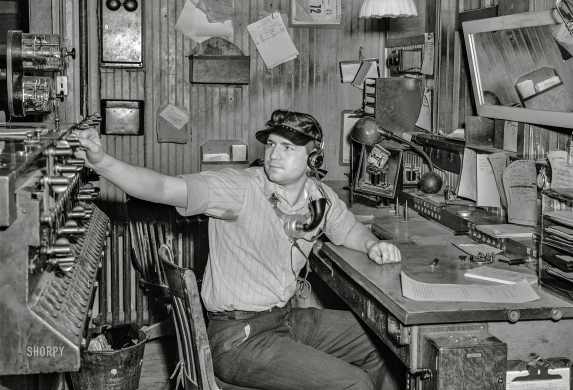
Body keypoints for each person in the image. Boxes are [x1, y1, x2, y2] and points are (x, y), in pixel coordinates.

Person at [76, 109, 402, 390]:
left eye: (288, 147)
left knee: (384, 346)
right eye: (272, 144)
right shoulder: (239, 188)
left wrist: (372, 244)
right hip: (238, 337)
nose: (274, 154)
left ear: (313, 157)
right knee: (353, 383)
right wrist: (102, 162)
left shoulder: (319, 198)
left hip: (285, 318)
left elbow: (348, 230)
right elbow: (163, 187)